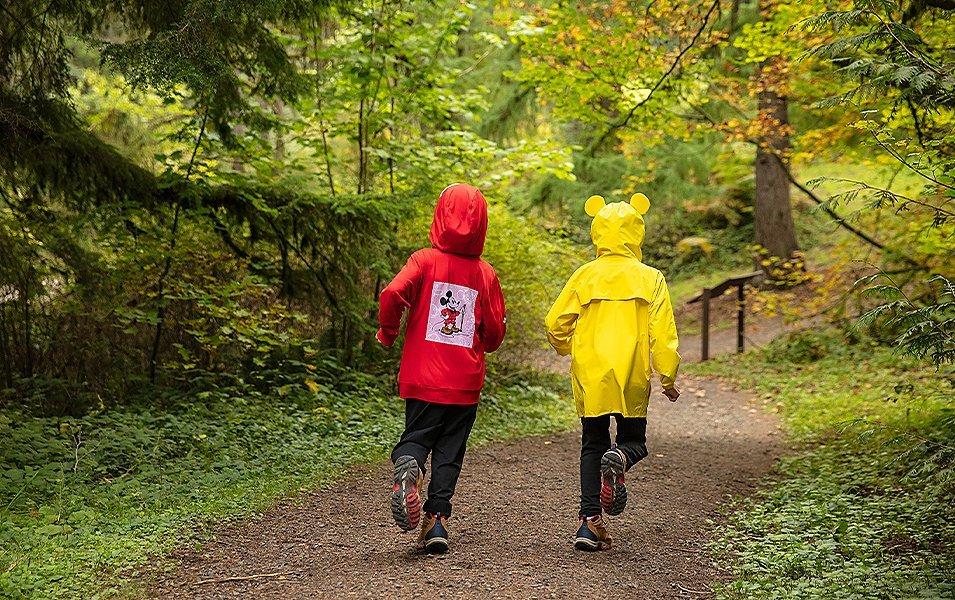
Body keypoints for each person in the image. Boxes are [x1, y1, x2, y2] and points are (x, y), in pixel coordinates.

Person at [544, 193, 681, 551]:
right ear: (638, 232)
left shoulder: (584, 276)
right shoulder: (651, 278)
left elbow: (555, 322)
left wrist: (565, 347)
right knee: (635, 441)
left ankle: (589, 525)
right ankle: (620, 460)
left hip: (591, 374)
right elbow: (663, 336)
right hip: (632, 373)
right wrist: (667, 377)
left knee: (593, 442)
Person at [376, 183, 507, 553]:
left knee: (418, 437)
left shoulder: (423, 261)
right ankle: (436, 523)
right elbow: (495, 331)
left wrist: (388, 332)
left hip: (422, 376)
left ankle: (408, 463)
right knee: (451, 450)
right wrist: (487, 341)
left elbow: (391, 294)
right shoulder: (485, 274)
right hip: (464, 382)